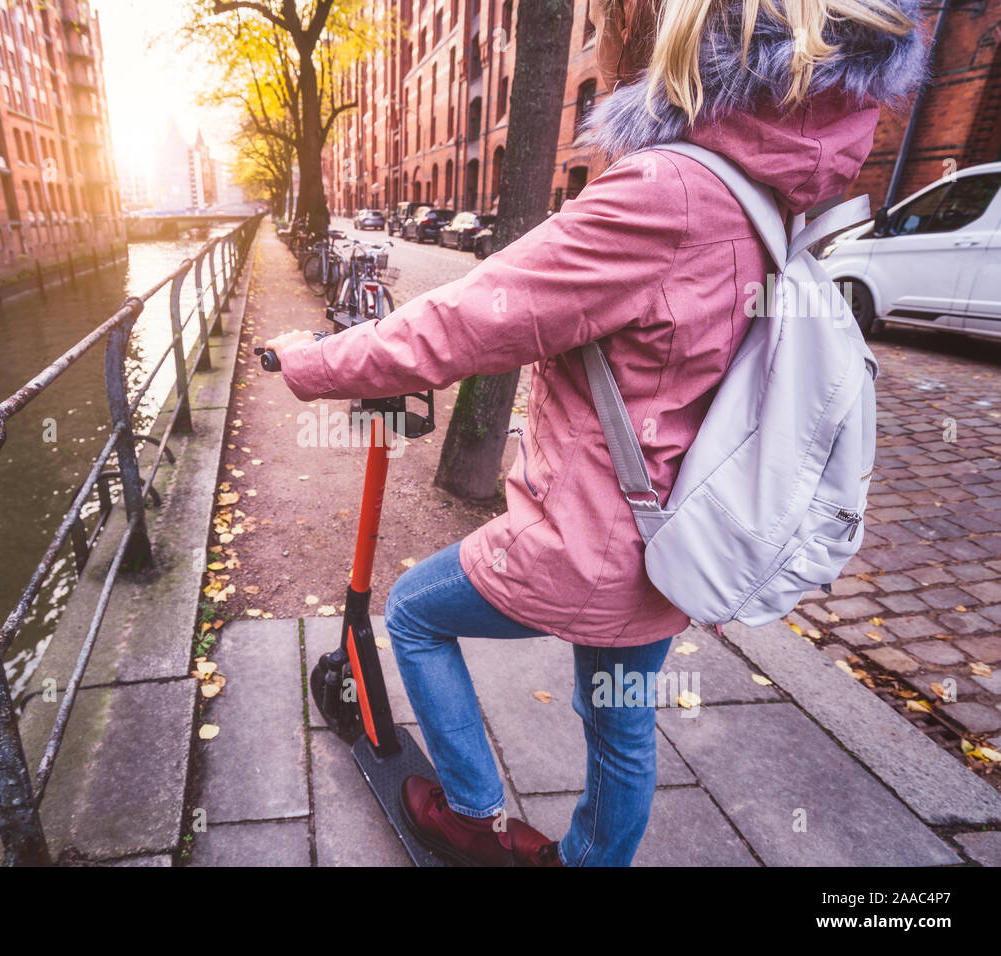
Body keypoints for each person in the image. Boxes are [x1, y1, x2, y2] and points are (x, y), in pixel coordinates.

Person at [266, 0, 926, 866]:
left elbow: (464, 322)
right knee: (619, 723)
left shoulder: (668, 193)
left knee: (415, 617)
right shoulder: (772, 195)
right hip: (673, 532)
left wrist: (314, 362)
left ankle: (469, 815)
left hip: (590, 539)